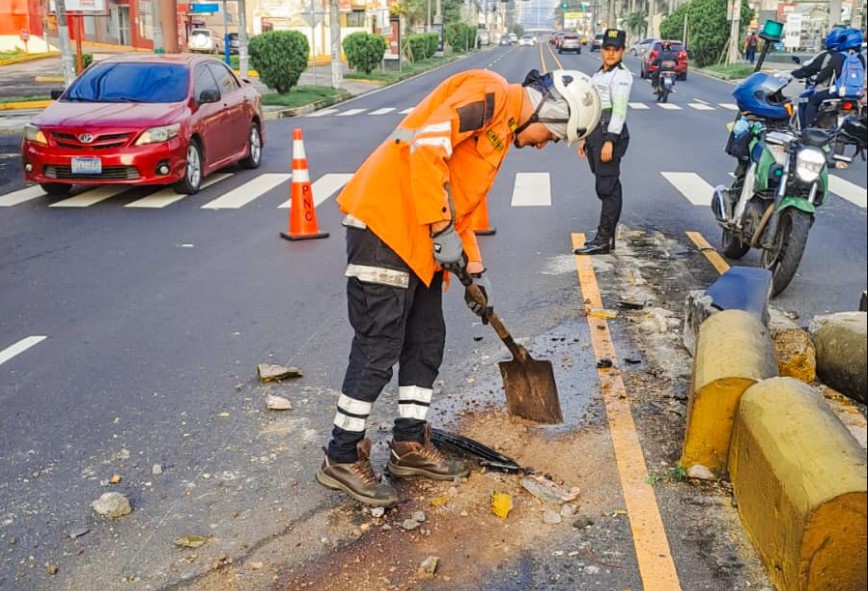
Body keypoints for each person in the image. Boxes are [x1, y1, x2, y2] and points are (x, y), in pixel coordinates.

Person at [315, 68, 602, 507]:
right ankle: (341, 454)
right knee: (379, 345)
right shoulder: (490, 93)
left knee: (427, 340)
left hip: (421, 239)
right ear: (551, 110)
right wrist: (440, 227)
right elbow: (428, 146)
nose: (545, 144)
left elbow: (459, 199)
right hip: (386, 225)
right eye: (553, 135)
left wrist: (475, 268)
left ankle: (409, 443)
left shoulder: (501, 131)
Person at [573, 28, 633, 256]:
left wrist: (610, 141)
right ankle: (607, 237)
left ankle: (603, 239)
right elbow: (594, 107)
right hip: (596, 133)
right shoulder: (600, 74)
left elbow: (619, 111)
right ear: (601, 50)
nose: (611, 53)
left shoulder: (621, 76)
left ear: (622, 51)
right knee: (607, 185)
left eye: (615, 49)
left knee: (607, 188)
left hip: (609, 134)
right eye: (607, 48)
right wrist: (585, 136)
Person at [792, 28, 865, 127]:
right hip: (856, 94)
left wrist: (817, 80)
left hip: (838, 92)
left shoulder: (838, 56)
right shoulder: (860, 58)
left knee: (812, 100)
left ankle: (809, 129)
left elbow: (824, 74)